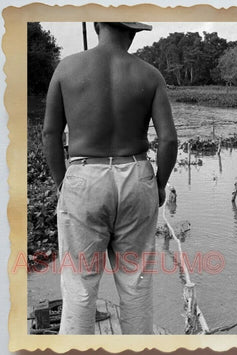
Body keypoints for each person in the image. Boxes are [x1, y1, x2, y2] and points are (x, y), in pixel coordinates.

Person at [42, 22, 178, 334]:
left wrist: (63, 183)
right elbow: (168, 140)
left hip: (83, 175)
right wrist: (158, 185)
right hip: (136, 175)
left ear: (97, 24)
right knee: (136, 286)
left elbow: (50, 133)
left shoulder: (66, 69)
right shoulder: (149, 74)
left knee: (79, 286)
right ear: (132, 32)